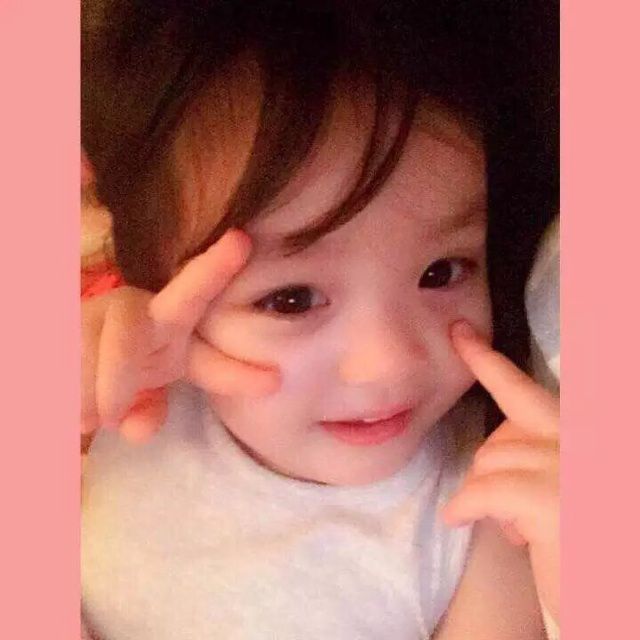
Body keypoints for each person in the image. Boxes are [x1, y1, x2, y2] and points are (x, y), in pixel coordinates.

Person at [81, 2, 558, 638]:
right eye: (292, 299)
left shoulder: (490, 503)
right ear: (158, 286)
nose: (390, 363)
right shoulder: (130, 395)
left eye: (441, 272)